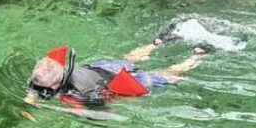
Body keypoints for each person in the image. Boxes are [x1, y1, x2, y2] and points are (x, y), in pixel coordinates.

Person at [24, 41, 206, 108]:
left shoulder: (82, 91)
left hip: (114, 81)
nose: (36, 87)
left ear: (55, 86)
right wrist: (31, 99)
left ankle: (198, 55)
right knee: (129, 59)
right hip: (101, 67)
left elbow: (105, 107)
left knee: (169, 76)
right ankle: (157, 42)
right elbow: (35, 86)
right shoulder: (49, 70)